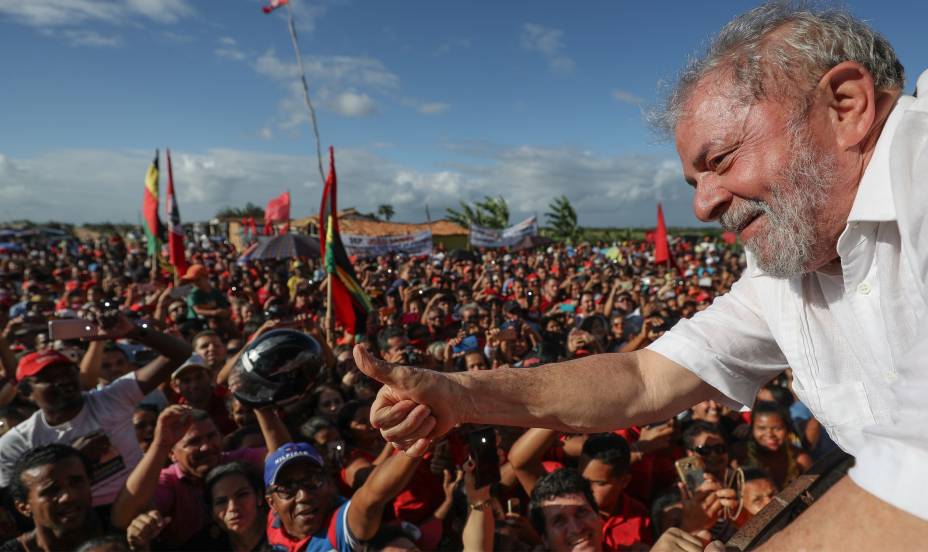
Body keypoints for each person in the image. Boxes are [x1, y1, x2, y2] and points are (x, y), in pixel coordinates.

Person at [352, 4, 928, 549]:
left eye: (721, 159)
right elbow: (643, 378)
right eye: (693, 181)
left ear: (846, 105)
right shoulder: (787, 271)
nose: (703, 207)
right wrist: (460, 394)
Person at [0, 315, 191, 508]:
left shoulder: (113, 397)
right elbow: (13, 505)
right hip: (77, 524)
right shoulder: (16, 443)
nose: (64, 381)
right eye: (49, 379)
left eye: (68, 372)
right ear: (26, 393)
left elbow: (180, 353)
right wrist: (75, 458)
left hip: (141, 507)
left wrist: (133, 331)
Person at [2, 445, 103, 552]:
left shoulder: (119, 524)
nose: (68, 497)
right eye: (52, 490)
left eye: (76, 483)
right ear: (24, 508)